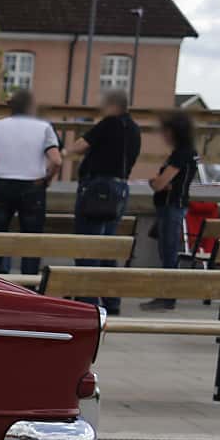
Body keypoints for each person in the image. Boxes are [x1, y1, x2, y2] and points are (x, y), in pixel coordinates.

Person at [64, 91, 141, 312]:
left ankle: (88, 303)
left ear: (113, 106)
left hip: (98, 189)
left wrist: (63, 152)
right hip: (120, 189)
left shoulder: (109, 123)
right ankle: (111, 301)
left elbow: (82, 143)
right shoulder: (134, 128)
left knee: (88, 246)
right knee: (108, 246)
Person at [0, 89, 61, 276]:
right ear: (31, 107)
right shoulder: (44, 127)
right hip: (33, 186)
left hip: (2, 184)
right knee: (31, 241)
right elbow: (56, 160)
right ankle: (29, 285)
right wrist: (46, 179)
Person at [140, 111, 200, 310]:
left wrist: (156, 181)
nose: (163, 135)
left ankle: (167, 296)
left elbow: (160, 183)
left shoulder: (181, 154)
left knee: (168, 252)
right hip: (172, 205)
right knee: (168, 251)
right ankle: (166, 295)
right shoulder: (186, 152)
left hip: (171, 206)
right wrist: (157, 182)